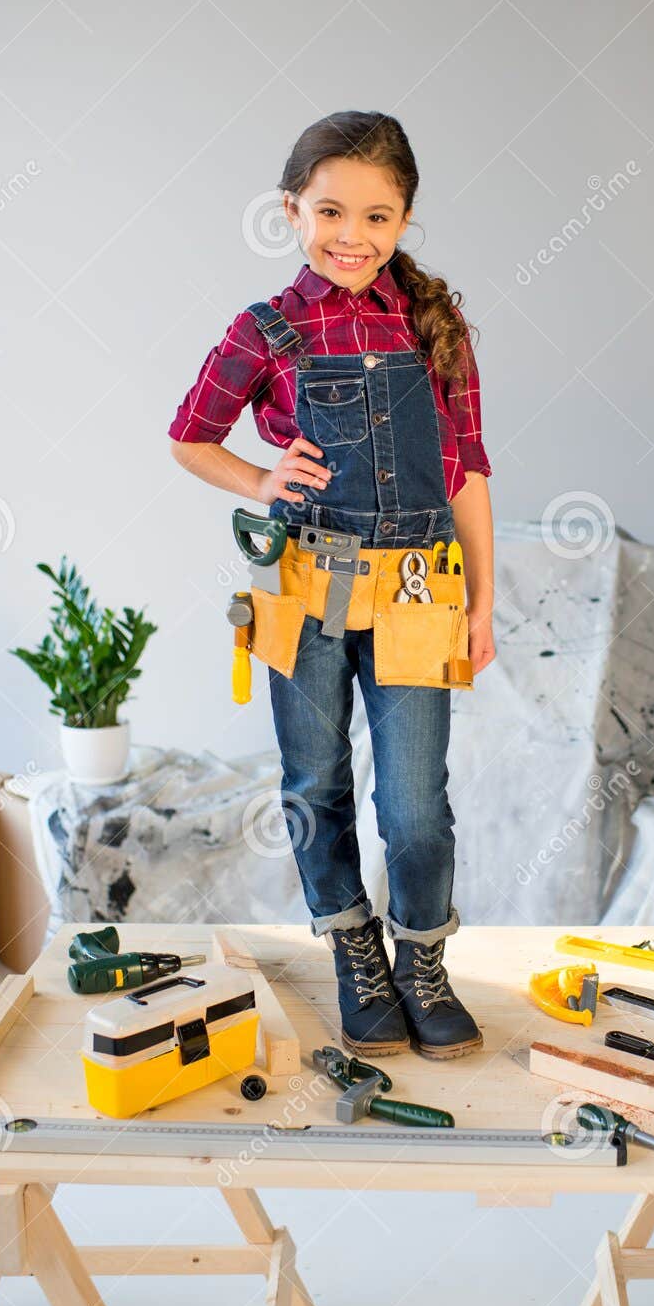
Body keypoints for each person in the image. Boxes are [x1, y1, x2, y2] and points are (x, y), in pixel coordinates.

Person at [170, 111, 495, 1060]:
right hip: (305, 593)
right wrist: (262, 480)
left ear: (405, 220)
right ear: (292, 211)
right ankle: (355, 950)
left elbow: (469, 471)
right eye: (330, 211)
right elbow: (190, 437)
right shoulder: (265, 329)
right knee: (315, 783)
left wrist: (481, 601)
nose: (352, 235)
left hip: (417, 596)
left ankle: (421, 962)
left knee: (416, 806)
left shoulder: (434, 325)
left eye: (377, 216)